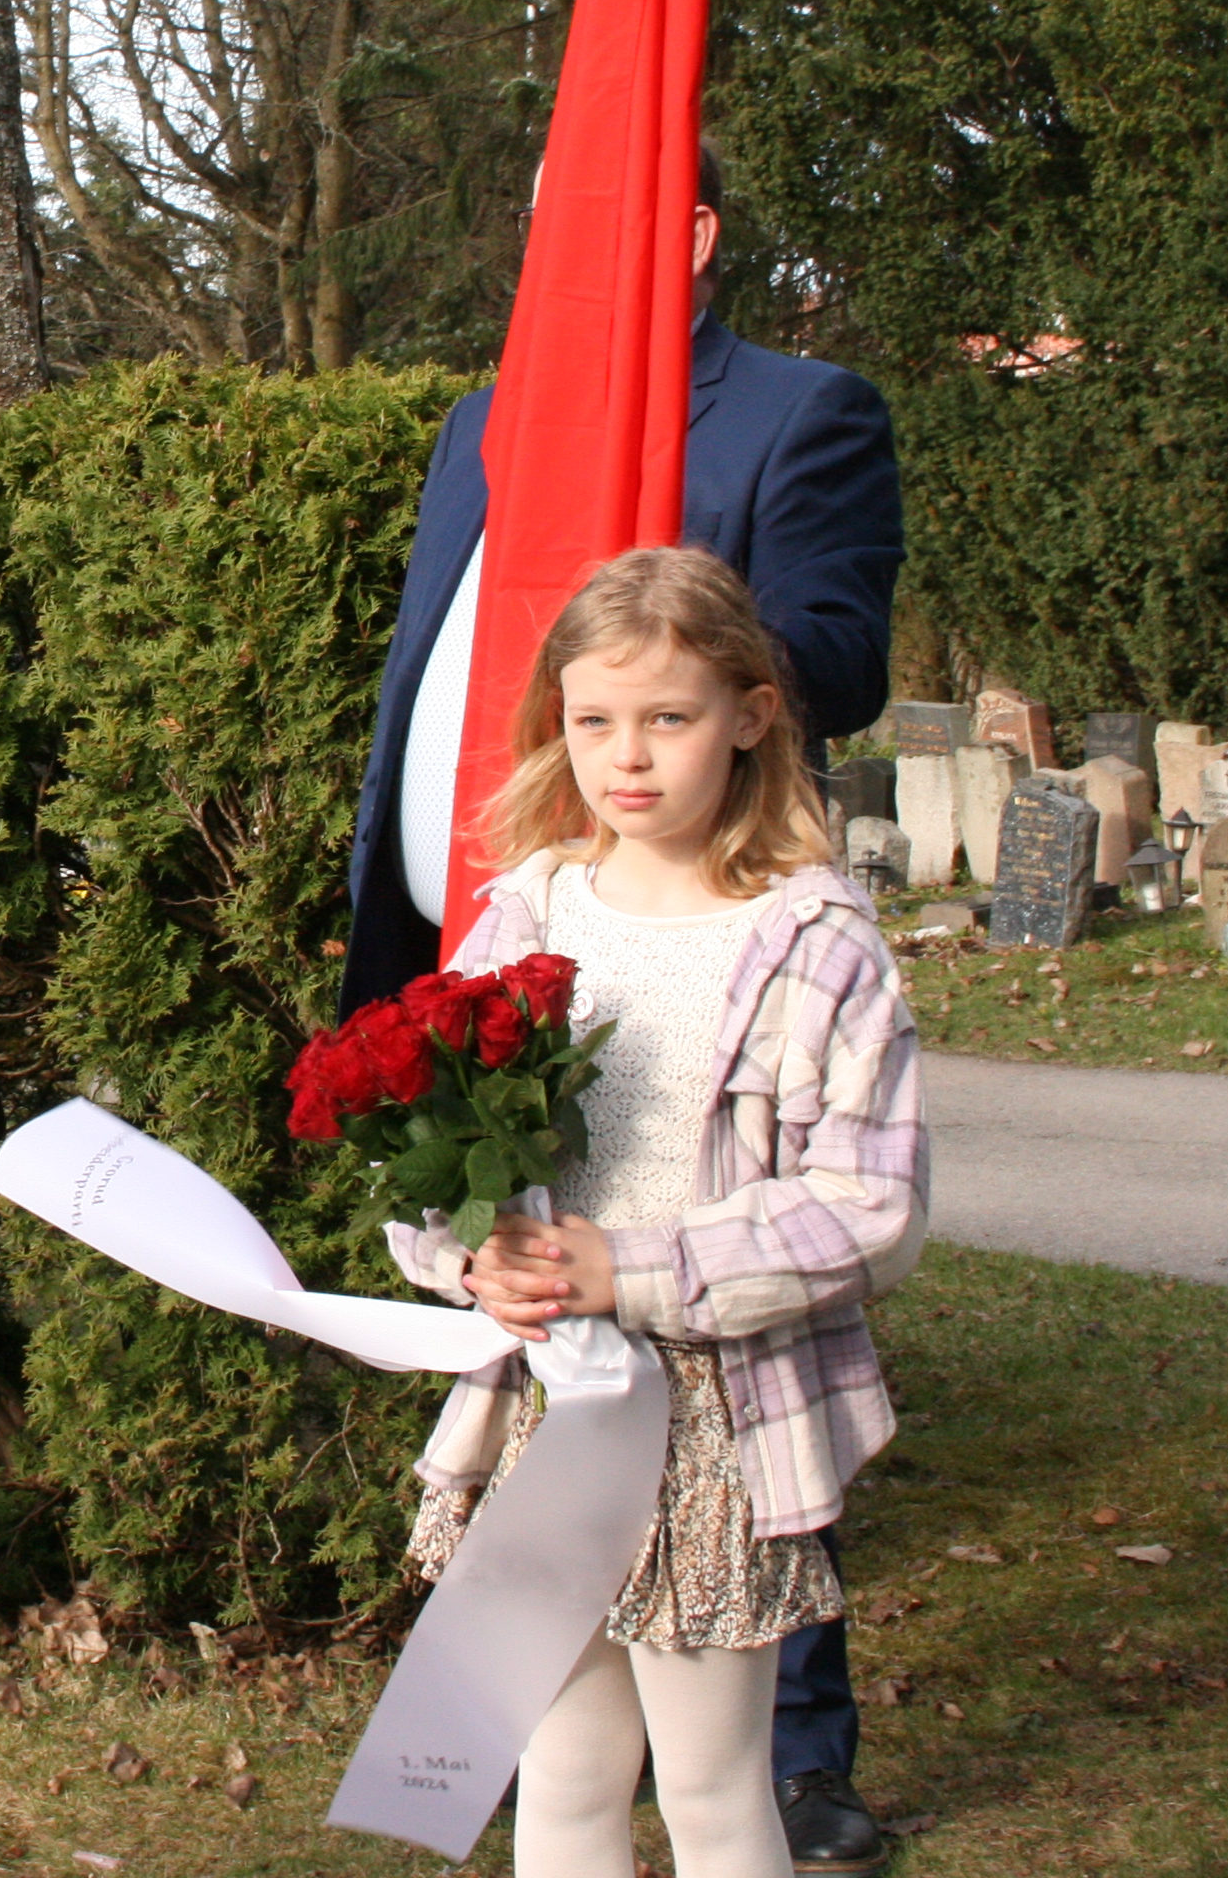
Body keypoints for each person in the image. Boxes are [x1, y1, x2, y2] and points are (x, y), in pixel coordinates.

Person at [346, 155, 905, 1870]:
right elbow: (454, 645)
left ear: (691, 231)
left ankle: (802, 1756)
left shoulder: (799, 411)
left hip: (710, 1323)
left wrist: (664, 679)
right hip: (517, 923)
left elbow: (831, 645)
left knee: (717, 1760)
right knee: (561, 1765)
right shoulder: (478, 421)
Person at [390, 549, 925, 1878]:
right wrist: (472, 1265)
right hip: (546, 1411)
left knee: (710, 1786)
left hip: (713, 1426)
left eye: (669, 719)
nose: (628, 760)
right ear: (554, 724)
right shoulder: (526, 915)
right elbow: (418, 1166)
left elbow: (867, 1211)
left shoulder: (814, 941)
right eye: (595, 722)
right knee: (564, 1775)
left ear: (750, 714)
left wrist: (627, 1268)